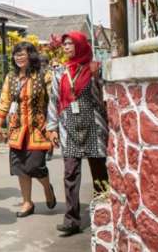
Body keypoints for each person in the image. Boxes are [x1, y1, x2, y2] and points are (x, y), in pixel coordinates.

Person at [46, 31, 109, 237]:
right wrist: (52, 127)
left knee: (99, 171)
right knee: (70, 173)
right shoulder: (60, 72)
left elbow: (105, 96)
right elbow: (54, 100)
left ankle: (104, 212)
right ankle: (72, 219)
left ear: (81, 45)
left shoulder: (95, 69)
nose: (66, 47)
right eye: (64, 44)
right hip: (69, 126)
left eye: (71, 43)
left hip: (93, 124)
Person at [0, 42, 56, 219]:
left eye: (23, 54)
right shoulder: (11, 77)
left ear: (31, 56)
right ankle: (27, 202)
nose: (19, 57)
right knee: (20, 168)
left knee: (35, 166)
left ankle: (47, 187)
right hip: (16, 129)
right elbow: (5, 101)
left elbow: (53, 102)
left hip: (38, 129)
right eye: (16, 54)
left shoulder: (44, 75)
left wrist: (52, 126)